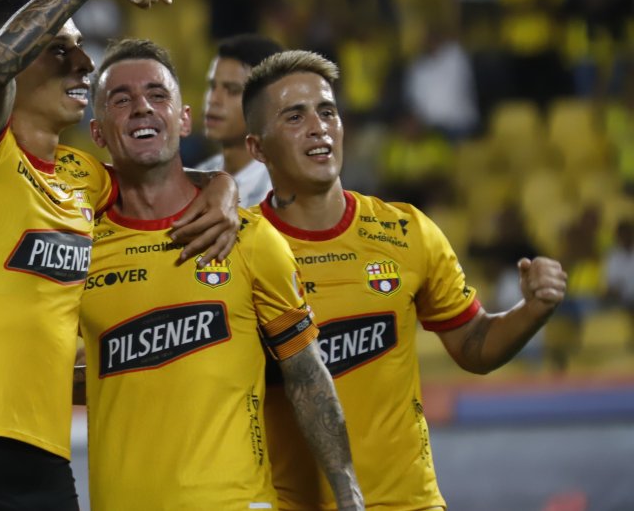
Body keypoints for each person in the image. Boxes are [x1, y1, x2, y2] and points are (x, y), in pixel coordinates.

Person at [0, 0, 240, 510]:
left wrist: (223, 187)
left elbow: (165, 178)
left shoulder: (86, 177)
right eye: (59, 49)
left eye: (80, 48)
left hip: (45, 461)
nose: (84, 63)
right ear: (16, 55)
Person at [241, 50, 568, 510]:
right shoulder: (238, 250)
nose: (319, 127)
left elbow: (473, 345)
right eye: (295, 116)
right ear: (257, 148)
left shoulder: (406, 230)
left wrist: (532, 310)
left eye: (328, 111)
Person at [80, 39, 363, 510]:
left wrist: (349, 496)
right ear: (98, 133)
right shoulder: (80, 251)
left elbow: (307, 375)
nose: (142, 107)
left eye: (157, 95)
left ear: (183, 119)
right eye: (122, 100)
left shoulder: (252, 239)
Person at [197, 34, 284, 207]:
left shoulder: (281, 194)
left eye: (232, 90)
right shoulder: (198, 176)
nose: (213, 99)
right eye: (212, 86)